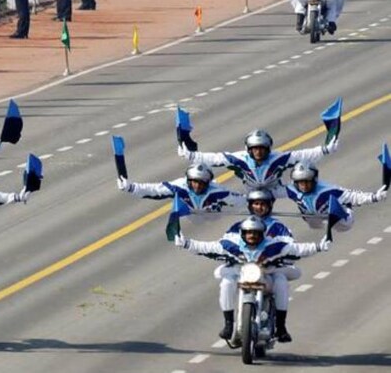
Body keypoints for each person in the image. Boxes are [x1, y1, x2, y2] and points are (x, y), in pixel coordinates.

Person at [174, 216, 328, 342]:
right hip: (242, 276)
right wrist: (186, 243)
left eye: (256, 233)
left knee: (281, 283)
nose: (252, 236)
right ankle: (228, 324)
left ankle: (281, 327)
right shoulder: (231, 245)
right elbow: (207, 247)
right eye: (248, 232)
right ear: (242, 233)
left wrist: (319, 246)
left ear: (263, 234)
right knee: (226, 282)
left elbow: (298, 249)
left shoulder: (273, 246)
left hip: (265, 278)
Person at [179, 128, 338, 197]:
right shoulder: (239, 159)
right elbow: (214, 159)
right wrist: (190, 155)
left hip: (275, 190)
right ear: (249, 149)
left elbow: (303, 155)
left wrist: (325, 149)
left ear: (269, 148)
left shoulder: (278, 158)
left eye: (262, 148)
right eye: (255, 149)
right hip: (250, 194)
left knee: (305, 186)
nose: (259, 152)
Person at [116, 163, 244, 220]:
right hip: (188, 217)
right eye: (194, 181)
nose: (197, 185)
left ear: (208, 182)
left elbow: (240, 200)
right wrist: (130, 187)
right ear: (188, 180)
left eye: (201, 182)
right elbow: (154, 190)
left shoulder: (217, 191)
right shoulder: (179, 186)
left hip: (212, 217)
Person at [285, 162, 387, 231]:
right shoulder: (291, 190)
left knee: (344, 225)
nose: (304, 186)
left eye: (307, 182)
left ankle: (343, 208)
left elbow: (353, 196)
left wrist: (374, 197)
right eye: (301, 183)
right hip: (315, 217)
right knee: (313, 224)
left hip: (341, 220)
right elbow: (273, 192)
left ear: (314, 180)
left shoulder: (328, 190)